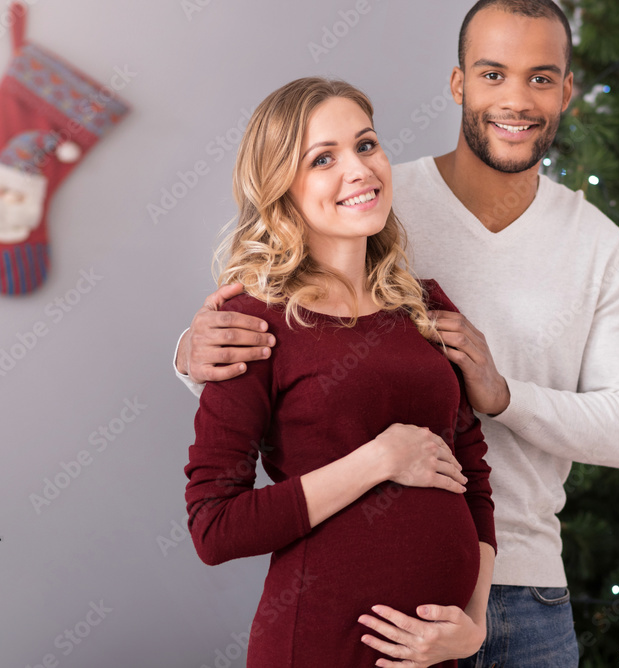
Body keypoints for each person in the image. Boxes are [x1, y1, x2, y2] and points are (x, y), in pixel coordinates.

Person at [175, 1, 619, 665]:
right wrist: (189, 351)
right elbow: (265, 358)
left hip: (524, 591)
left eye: (541, 78)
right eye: (493, 74)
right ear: (458, 82)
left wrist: (503, 396)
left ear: (566, 90)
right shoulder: (375, 196)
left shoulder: (586, 245)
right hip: (347, 622)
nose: (516, 99)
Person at [183, 76, 497, 667]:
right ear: (282, 187)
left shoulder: (426, 306)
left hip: (440, 655)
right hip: (320, 645)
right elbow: (215, 526)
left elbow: (473, 476)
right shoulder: (251, 322)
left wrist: (473, 625)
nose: (359, 170)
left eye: (366, 145)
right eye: (323, 159)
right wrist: (378, 460)